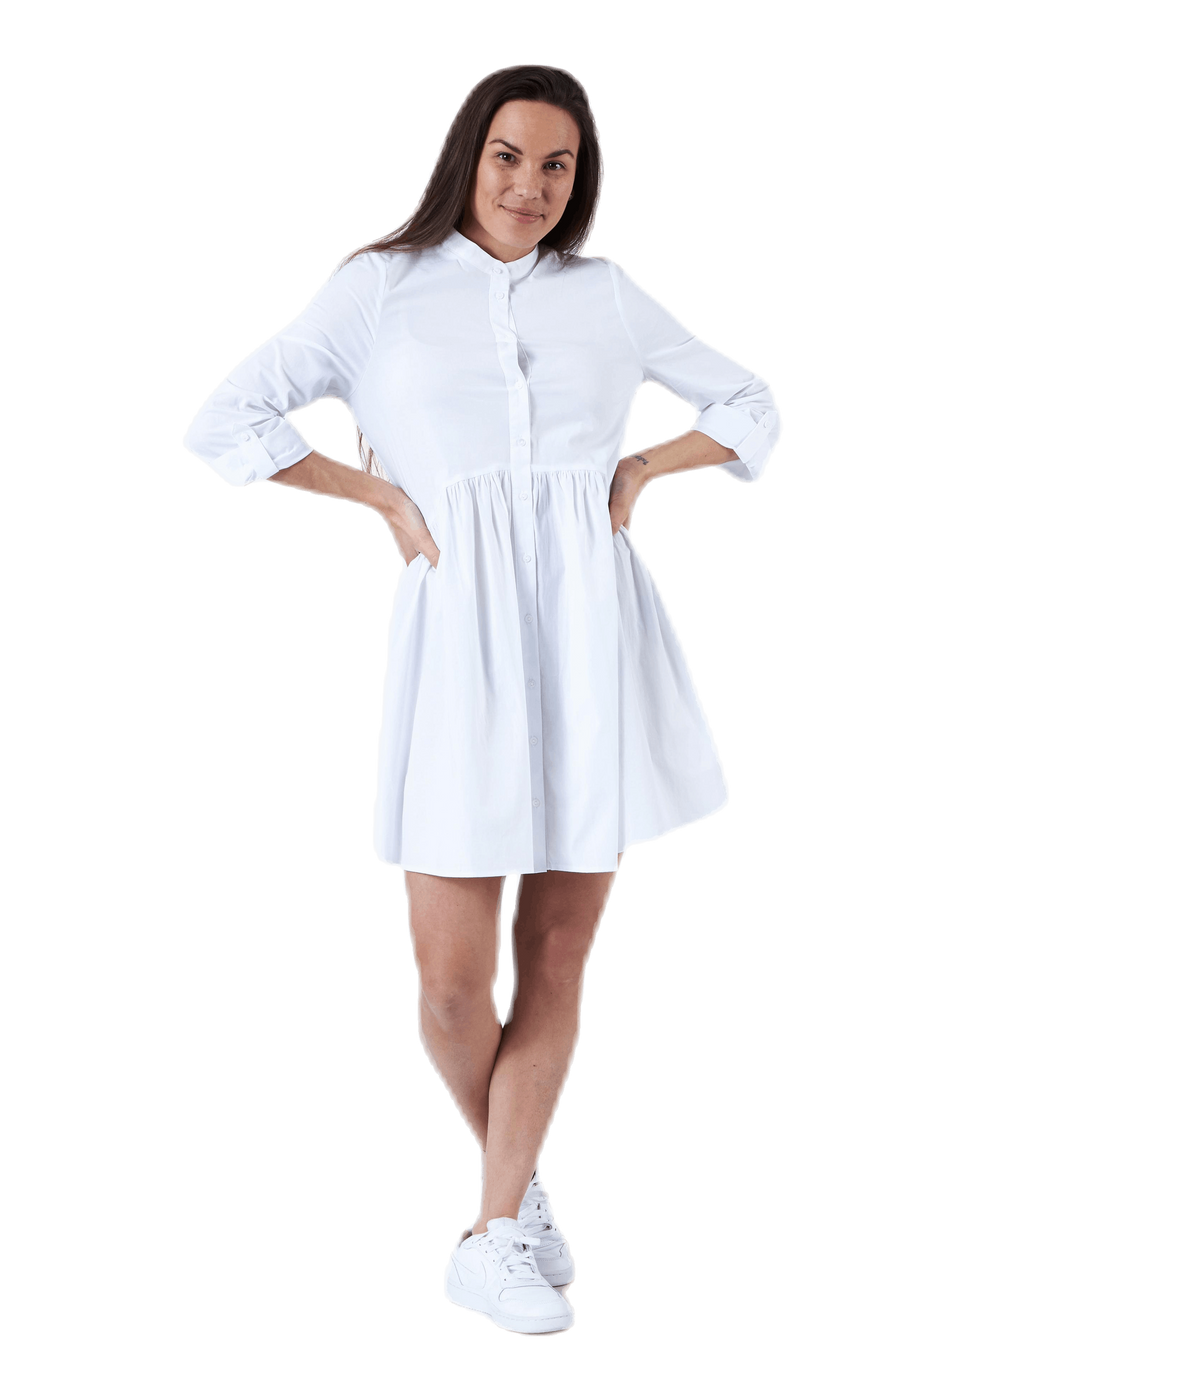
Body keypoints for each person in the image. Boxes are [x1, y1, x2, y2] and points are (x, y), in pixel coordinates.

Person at [179, 62, 785, 1338]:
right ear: (467, 155)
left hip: (593, 635)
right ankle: (520, 1191)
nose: (529, 185)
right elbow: (226, 418)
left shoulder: (604, 291)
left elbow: (750, 401)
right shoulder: (377, 286)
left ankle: (493, 1229)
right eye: (508, 156)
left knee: (557, 949)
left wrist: (643, 466)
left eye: (557, 165)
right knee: (450, 978)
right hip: (458, 643)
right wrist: (380, 496)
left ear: (581, 178)